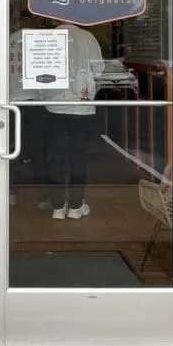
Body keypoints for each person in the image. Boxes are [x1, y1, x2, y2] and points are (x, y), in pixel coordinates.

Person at [43, 22, 104, 220]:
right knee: (79, 158)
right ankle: (77, 206)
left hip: (53, 107)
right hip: (82, 107)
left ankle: (58, 207)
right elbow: (99, 68)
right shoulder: (87, 37)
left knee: (56, 159)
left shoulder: (47, 38)